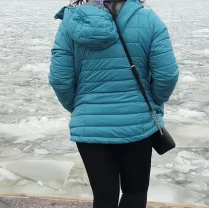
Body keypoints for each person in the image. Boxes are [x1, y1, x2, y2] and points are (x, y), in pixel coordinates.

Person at [49, 0, 179, 207]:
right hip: (138, 124)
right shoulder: (149, 20)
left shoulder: (71, 23)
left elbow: (60, 79)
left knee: (104, 197)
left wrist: (80, 108)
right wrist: (154, 102)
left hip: (90, 128)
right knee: (135, 192)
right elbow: (167, 76)